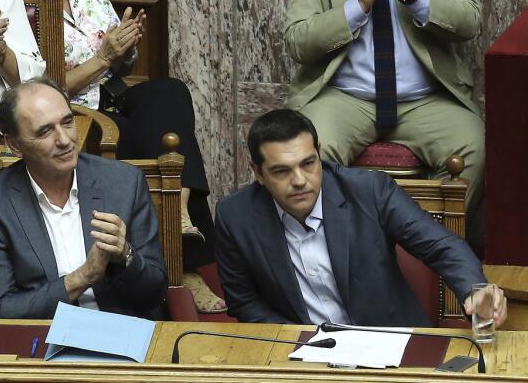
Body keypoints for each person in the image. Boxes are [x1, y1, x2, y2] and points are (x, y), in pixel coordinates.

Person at [0, 0, 224, 312]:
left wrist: (124, 46)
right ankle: (187, 259)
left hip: (110, 94)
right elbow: (41, 88)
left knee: (169, 94)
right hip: (69, 112)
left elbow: (117, 58)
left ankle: (182, 216)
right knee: (147, 141)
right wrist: (103, 57)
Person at [285, 0, 484, 241]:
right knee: (303, 156)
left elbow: (468, 22)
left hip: (425, 99)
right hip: (346, 98)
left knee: (476, 146)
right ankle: (343, 253)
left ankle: (428, 252)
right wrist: (356, 8)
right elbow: (297, 41)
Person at [213, 108, 505, 328]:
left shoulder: (370, 191)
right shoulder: (235, 217)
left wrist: (474, 290)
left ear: (319, 153)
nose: (300, 180)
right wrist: (301, 342)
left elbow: (441, 245)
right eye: (282, 171)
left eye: (308, 163)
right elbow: (245, 302)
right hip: (302, 362)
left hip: (390, 349)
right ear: (257, 173)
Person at [0, 77, 167, 319]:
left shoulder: (123, 183)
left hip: (123, 333)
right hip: (43, 341)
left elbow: (155, 293)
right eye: (45, 131)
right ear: (15, 145)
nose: (64, 140)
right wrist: (82, 277)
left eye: (68, 122)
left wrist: (126, 256)